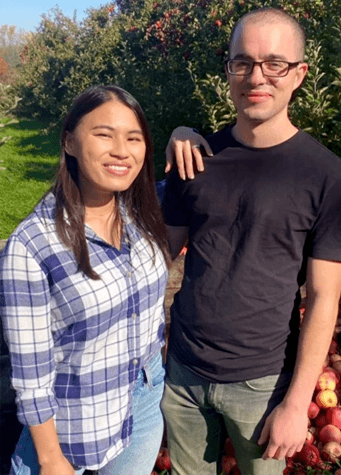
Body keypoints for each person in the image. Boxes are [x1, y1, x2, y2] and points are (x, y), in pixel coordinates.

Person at [161, 8, 341, 475]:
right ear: (227, 69)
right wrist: (172, 139)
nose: (256, 77)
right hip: (183, 377)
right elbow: (153, 258)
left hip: (263, 387)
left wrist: (296, 403)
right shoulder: (197, 161)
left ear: (299, 74)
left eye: (275, 64)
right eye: (242, 62)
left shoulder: (330, 177)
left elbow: (325, 300)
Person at [0, 85, 171, 475]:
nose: (121, 151)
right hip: (69, 430)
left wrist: (185, 136)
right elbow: (31, 372)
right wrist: (49, 458)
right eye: (103, 135)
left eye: (134, 138)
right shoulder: (34, 245)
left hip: (140, 407)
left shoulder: (138, 215)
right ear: (69, 142)